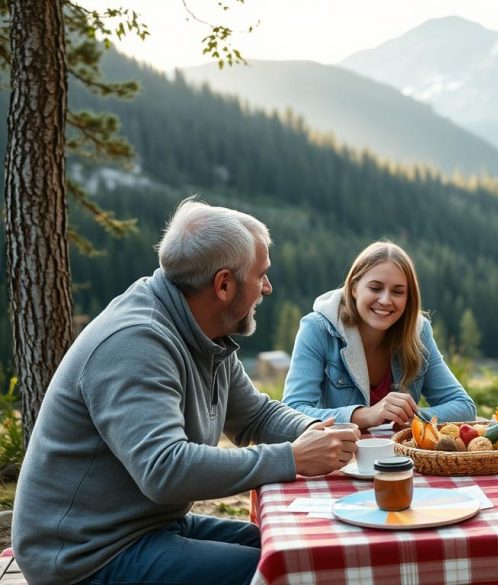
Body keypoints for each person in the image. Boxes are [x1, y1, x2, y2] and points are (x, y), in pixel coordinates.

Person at [12, 199, 359, 585]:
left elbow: (255, 416)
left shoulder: (200, 327)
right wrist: (293, 458)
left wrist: (331, 434)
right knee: (291, 575)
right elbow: (165, 469)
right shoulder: (136, 342)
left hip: (146, 527)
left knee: (305, 552)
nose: (267, 287)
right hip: (86, 554)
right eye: (260, 276)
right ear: (224, 284)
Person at [283, 241, 476, 429]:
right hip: (340, 459)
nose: (385, 300)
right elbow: (291, 413)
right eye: (375, 288)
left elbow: (464, 407)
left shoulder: (419, 332)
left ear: (409, 298)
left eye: (398, 292)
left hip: (400, 460)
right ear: (353, 288)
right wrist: (364, 415)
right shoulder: (317, 329)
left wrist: (410, 418)